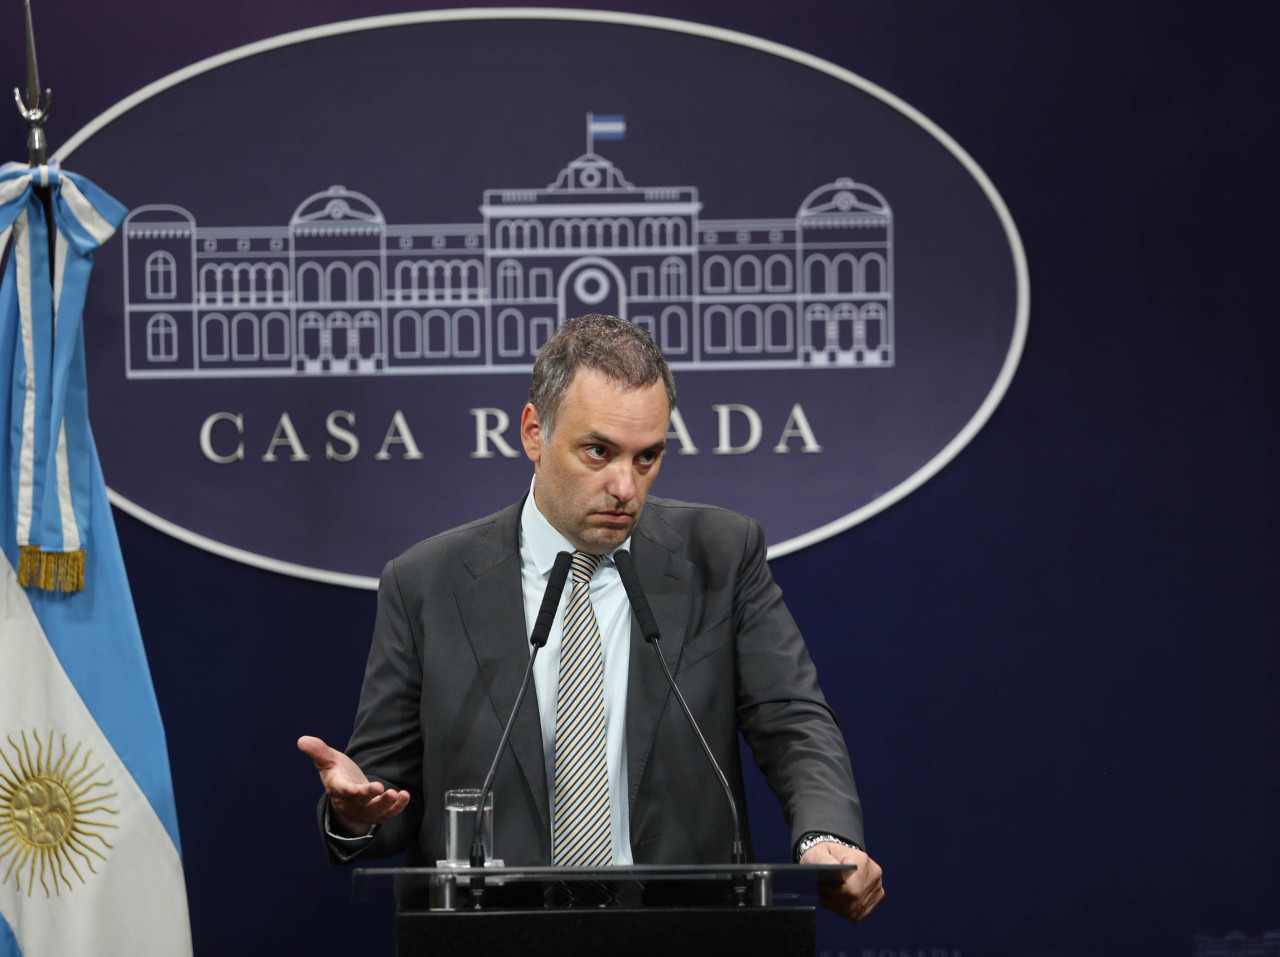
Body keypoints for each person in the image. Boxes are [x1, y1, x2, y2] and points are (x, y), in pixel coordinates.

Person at [299, 313, 884, 922]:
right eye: (598, 451)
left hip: (686, 933)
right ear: (533, 432)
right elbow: (382, 794)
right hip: (493, 937)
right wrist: (352, 815)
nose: (625, 486)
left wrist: (825, 838)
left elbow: (792, 721)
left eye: (647, 457)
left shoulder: (721, 554)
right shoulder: (426, 582)